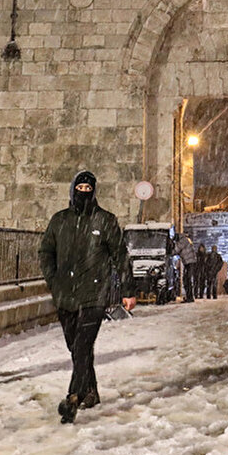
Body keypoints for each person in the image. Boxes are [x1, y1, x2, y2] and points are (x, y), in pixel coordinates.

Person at [39, 171, 136, 424]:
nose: (84, 191)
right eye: (80, 186)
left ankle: (73, 397)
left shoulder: (105, 221)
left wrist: (128, 291)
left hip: (95, 295)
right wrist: (53, 280)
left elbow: (120, 256)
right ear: (73, 189)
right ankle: (90, 390)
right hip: (66, 296)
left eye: (88, 187)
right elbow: (46, 252)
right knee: (76, 348)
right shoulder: (60, 221)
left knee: (82, 345)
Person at [177, 233, 198, 302]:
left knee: (187, 280)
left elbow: (176, 249)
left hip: (189, 262)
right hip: (190, 262)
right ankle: (190, 297)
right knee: (187, 280)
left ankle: (190, 297)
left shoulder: (183, 241)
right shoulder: (186, 240)